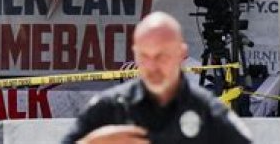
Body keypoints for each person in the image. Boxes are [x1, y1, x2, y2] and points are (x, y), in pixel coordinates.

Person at [62, 12, 252, 144]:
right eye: (144, 56)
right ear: (134, 54)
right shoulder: (109, 108)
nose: (152, 67)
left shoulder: (209, 113)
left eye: (162, 56)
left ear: (181, 54)